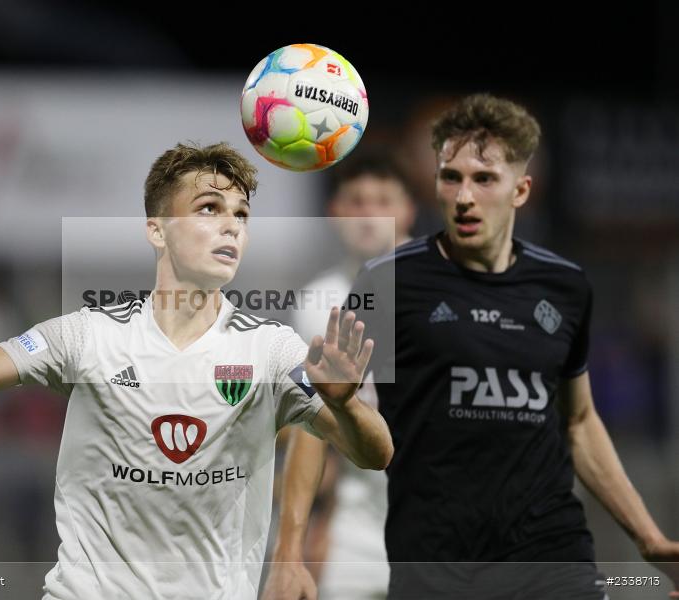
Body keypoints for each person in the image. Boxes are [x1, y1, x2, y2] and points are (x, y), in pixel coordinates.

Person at [0, 142, 394, 600]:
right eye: (208, 209)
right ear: (156, 230)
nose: (230, 226)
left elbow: (375, 453)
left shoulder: (272, 349)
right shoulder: (90, 335)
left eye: (241, 214)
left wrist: (343, 404)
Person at [264, 95, 679, 599]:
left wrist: (648, 537)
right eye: (450, 177)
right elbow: (319, 415)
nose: (464, 196)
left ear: (521, 190)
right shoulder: (390, 282)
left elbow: (579, 420)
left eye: (484, 180)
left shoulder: (564, 286)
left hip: (552, 554)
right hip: (436, 560)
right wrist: (290, 554)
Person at [268, 149, 416, 600]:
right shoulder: (318, 301)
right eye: (355, 202)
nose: (368, 215)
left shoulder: (445, 287)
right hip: (355, 518)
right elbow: (311, 419)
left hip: (436, 507)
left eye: (382, 200)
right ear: (334, 214)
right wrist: (311, 523)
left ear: (409, 208)